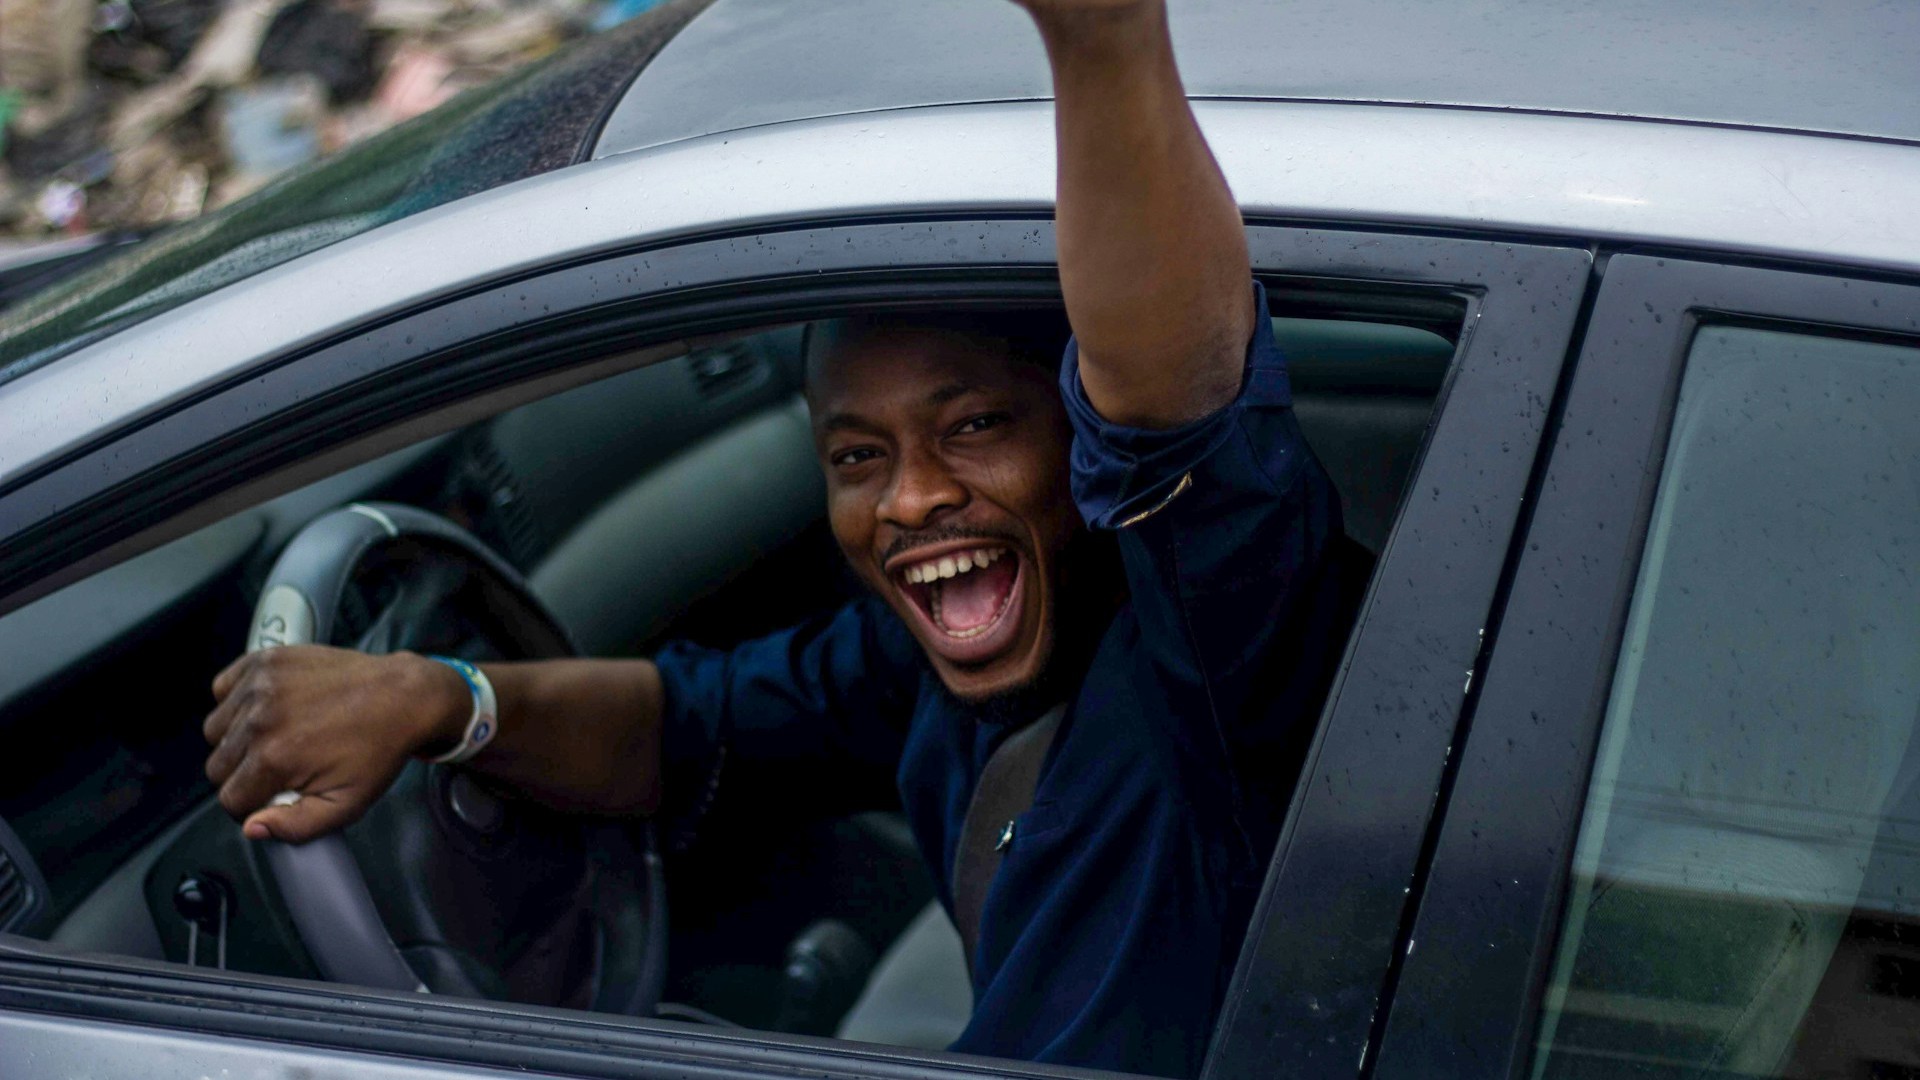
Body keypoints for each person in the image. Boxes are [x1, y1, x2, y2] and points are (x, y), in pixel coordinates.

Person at [200, 1, 1357, 1075]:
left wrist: (1105, 42)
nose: (908, 503)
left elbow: (1178, 412)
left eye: (976, 428)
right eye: (858, 457)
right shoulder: (928, 665)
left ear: (1078, 433)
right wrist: (439, 701)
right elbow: (693, 726)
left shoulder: (1214, 652)